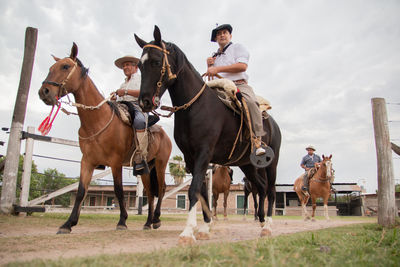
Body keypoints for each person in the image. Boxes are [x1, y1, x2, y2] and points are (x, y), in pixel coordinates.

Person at [206, 24, 266, 156]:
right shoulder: (214, 56)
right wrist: (209, 66)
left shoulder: (238, 47)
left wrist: (217, 69)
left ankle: (257, 140)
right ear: (216, 39)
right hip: (219, 86)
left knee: (250, 102)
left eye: (225, 32)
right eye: (219, 34)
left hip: (238, 85)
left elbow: (242, 66)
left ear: (230, 35)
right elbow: (211, 78)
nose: (222, 35)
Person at [114, 55, 149, 175]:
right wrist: (116, 96)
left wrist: (125, 92)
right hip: (121, 105)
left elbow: (144, 93)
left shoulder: (140, 79)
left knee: (139, 121)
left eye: (127, 65)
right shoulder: (123, 83)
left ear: (136, 67)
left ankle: (141, 155)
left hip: (136, 106)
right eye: (124, 66)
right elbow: (121, 95)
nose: (125, 67)